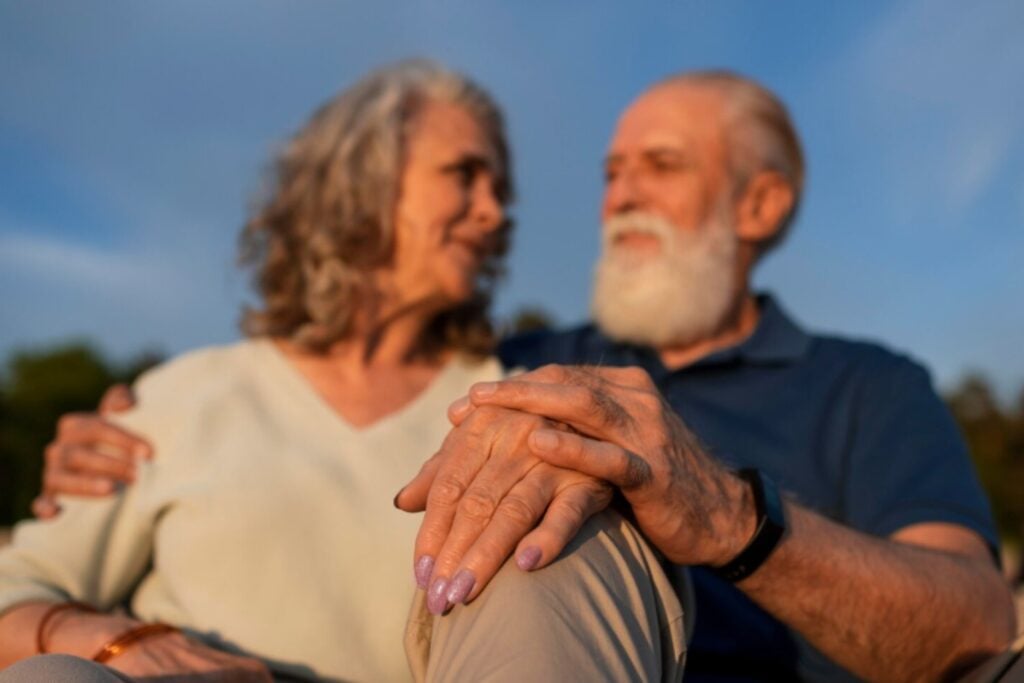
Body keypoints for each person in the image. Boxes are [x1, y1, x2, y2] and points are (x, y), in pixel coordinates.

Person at [32, 69, 1018, 680]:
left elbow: (973, 625)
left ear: (758, 203)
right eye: (608, 169)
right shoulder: (515, 370)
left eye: (659, 165)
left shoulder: (867, 386)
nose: (618, 192)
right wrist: (113, 434)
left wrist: (728, 517)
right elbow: (333, 400)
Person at [0, 60, 685, 682]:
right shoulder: (179, 397)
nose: (494, 212)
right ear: (366, 182)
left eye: (500, 189)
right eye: (465, 174)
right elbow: (17, 586)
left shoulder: (508, 415)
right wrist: (110, 641)